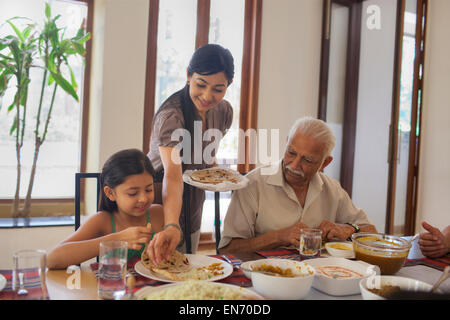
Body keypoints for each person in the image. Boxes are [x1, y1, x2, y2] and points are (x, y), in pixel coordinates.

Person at [219, 116, 377, 253]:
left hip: (319, 275)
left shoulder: (332, 189)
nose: (294, 166)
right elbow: (228, 249)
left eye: (307, 160)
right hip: (266, 277)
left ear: (325, 163)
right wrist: (278, 237)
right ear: (287, 142)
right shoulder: (253, 184)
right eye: (291, 153)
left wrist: (349, 229)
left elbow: (372, 233)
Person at [146, 44, 234, 264]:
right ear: (188, 75)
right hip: (159, 201)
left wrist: (221, 173)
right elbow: (173, 175)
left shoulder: (224, 111)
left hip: (193, 201)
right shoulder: (171, 116)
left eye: (218, 89)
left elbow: (207, 154)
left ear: (228, 85)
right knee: (160, 272)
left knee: (185, 271)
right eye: (201, 84)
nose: (207, 95)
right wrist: (171, 224)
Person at [47, 149, 164, 269]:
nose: (143, 199)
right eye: (133, 193)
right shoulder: (102, 221)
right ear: (110, 193)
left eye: (149, 190)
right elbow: (52, 259)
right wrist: (117, 240)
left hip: (159, 287)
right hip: (114, 286)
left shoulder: (158, 214)